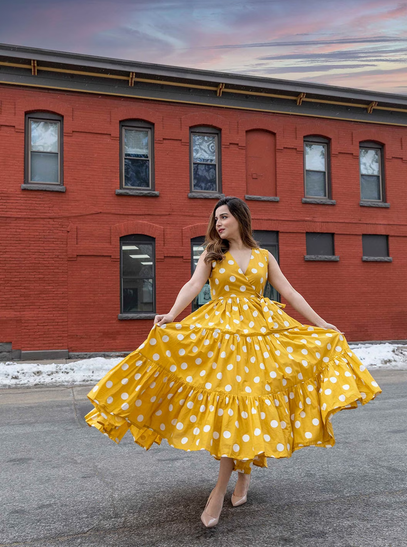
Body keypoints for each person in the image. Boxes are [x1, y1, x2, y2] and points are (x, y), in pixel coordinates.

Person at [85, 196, 382, 528]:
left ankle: (229, 484)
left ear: (240, 218)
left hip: (260, 337)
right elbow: (194, 285)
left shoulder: (263, 256)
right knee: (234, 407)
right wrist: (171, 314)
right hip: (223, 337)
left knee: (247, 405)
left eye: (223, 217)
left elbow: (290, 292)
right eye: (215, 219)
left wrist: (321, 323)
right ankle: (230, 482)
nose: (218, 224)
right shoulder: (213, 255)